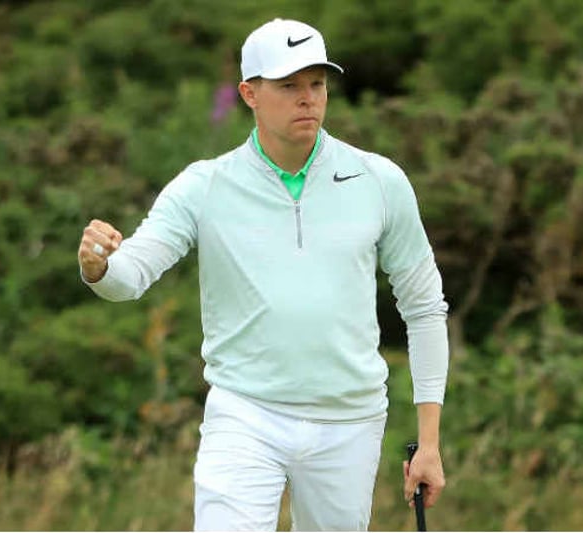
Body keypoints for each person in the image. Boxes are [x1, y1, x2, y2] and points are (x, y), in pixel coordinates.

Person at [76, 18, 448, 531]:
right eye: (289, 85)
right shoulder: (204, 185)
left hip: (350, 420)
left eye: (317, 83)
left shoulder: (379, 180)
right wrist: (99, 267)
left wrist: (429, 444)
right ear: (249, 93)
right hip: (245, 413)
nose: (308, 98)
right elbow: (131, 275)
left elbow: (425, 307)